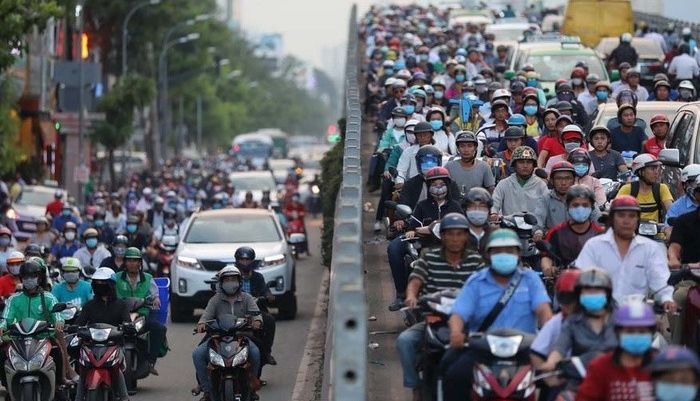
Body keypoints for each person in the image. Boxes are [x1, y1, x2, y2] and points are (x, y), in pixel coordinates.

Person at [443, 228, 552, 401]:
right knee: (453, 373)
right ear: (489, 254)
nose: (504, 255)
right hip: (483, 349)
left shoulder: (530, 279)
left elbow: (544, 310)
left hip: (525, 349)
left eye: (509, 251)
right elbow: (458, 313)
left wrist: (550, 333)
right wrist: (456, 332)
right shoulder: (476, 281)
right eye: (498, 251)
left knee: (553, 378)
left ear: (518, 253)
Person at [396, 213, 484, 401]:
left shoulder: (475, 260)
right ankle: (415, 387)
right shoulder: (429, 257)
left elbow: (484, 287)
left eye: (459, 234)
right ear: (442, 236)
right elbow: (415, 280)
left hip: (466, 324)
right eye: (449, 234)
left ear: (466, 236)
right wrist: (411, 296)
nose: (454, 239)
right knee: (405, 341)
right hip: (433, 320)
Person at [574, 196, 675, 310]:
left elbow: (661, 282)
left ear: (638, 220)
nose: (626, 221)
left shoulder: (650, 248)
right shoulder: (594, 246)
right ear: (612, 219)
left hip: (637, 315)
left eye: (632, 216)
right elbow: (580, 278)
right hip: (600, 314)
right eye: (621, 215)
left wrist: (667, 299)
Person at [388, 167, 463, 311]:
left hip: (453, 248)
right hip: (428, 247)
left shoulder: (455, 206)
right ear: (428, 187)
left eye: (441, 185)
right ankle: (403, 294)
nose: (438, 188)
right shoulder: (422, 206)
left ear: (448, 186)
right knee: (396, 250)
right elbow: (414, 225)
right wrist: (412, 231)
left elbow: (463, 225)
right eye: (434, 185)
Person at [193, 266, 262, 401]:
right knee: (198, 354)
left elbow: (257, 315)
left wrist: (256, 322)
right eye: (227, 279)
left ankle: (251, 386)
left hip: (242, 335)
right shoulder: (215, 299)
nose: (230, 282)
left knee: (255, 353)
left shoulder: (247, 298)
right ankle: (207, 391)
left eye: (233, 279)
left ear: (239, 281)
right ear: (221, 282)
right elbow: (206, 316)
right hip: (217, 336)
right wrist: (201, 325)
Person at [0, 260, 67, 384]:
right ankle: (6, 385)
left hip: (42, 339)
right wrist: (2, 326)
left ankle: (59, 383)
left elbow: (57, 314)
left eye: (32, 276)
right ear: (21, 279)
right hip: (18, 340)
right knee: (3, 354)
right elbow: (5, 318)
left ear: (39, 278)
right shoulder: (14, 299)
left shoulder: (48, 297)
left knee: (57, 351)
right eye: (25, 277)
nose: (29, 280)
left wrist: (59, 321)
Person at [540, 268, 617, 373]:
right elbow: (559, 349)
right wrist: (550, 364)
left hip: (615, 378)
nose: (592, 294)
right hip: (580, 378)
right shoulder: (572, 321)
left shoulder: (620, 320)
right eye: (588, 291)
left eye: (597, 290)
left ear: (607, 294)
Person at [575, 302, 658, 401]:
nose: (636, 336)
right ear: (618, 333)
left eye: (642, 332)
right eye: (630, 331)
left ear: (651, 333)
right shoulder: (600, 367)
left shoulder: (662, 365)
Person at [75, 267, 131, 401]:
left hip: (114, 346)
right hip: (91, 346)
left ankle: (124, 397)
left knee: (117, 369)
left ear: (111, 285)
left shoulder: (121, 305)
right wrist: (73, 328)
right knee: (83, 369)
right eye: (97, 283)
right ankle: (77, 397)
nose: (100, 286)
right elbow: (79, 323)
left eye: (103, 283)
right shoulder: (89, 305)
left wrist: (129, 328)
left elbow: (128, 323)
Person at [114, 247, 165, 375]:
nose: (132, 263)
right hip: (120, 315)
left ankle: (150, 362)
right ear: (125, 262)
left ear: (140, 263)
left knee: (159, 328)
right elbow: (109, 292)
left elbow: (155, 294)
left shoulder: (148, 278)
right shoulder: (116, 277)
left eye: (135, 260)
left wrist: (156, 299)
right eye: (129, 260)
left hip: (141, 316)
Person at [540, 185, 605, 275]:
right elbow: (546, 256)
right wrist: (548, 268)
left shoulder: (600, 234)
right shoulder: (556, 232)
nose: (580, 209)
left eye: (585, 205)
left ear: (592, 207)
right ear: (567, 206)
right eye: (575, 205)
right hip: (562, 281)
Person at [233, 247, 277, 367]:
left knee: (269, 320)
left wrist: (268, 295)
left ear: (252, 261)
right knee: (210, 338)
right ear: (237, 260)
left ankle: (267, 353)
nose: (245, 262)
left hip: (254, 311)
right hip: (231, 312)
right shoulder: (230, 275)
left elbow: (265, 290)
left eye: (248, 260)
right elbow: (217, 283)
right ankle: (202, 382)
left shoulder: (258, 277)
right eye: (242, 260)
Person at [530, 270, 581, 367]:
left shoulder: (599, 320)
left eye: (573, 297)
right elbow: (536, 353)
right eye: (564, 298)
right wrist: (549, 379)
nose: (570, 304)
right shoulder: (556, 322)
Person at [491, 146, 549, 217]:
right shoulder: (503, 184)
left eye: (529, 162)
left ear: (533, 165)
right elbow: (494, 204)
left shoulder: (540, 184)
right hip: (509, 225)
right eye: (521, 162)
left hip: (535, 226)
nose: (525, 166)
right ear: (514, 165)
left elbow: (548, 206)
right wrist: (494, 214)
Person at [616, 154, 674, 222]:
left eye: (657, 168)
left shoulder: (662, 188)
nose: (656, 172)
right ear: (641, 172)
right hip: (632, 230)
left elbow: (671, 210)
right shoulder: (627, 189)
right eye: (652, 169)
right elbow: (615, 209)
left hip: (656, 231)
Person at [395, 122, 438, 186]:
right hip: (412, 185)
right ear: (416, 136)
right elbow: (401, 170)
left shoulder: (437, 151)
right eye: (419, 135)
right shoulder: (408, 151)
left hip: (433, 184)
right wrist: (400, 182)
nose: (422, 138)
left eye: (425, 135)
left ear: (431, 135)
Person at [462, 187, 492, 255]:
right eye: (472, 206)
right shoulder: (459, 236)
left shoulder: (494, 236)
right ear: (466, 209)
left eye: (482, 206)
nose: (477, 210)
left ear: (488, 210)